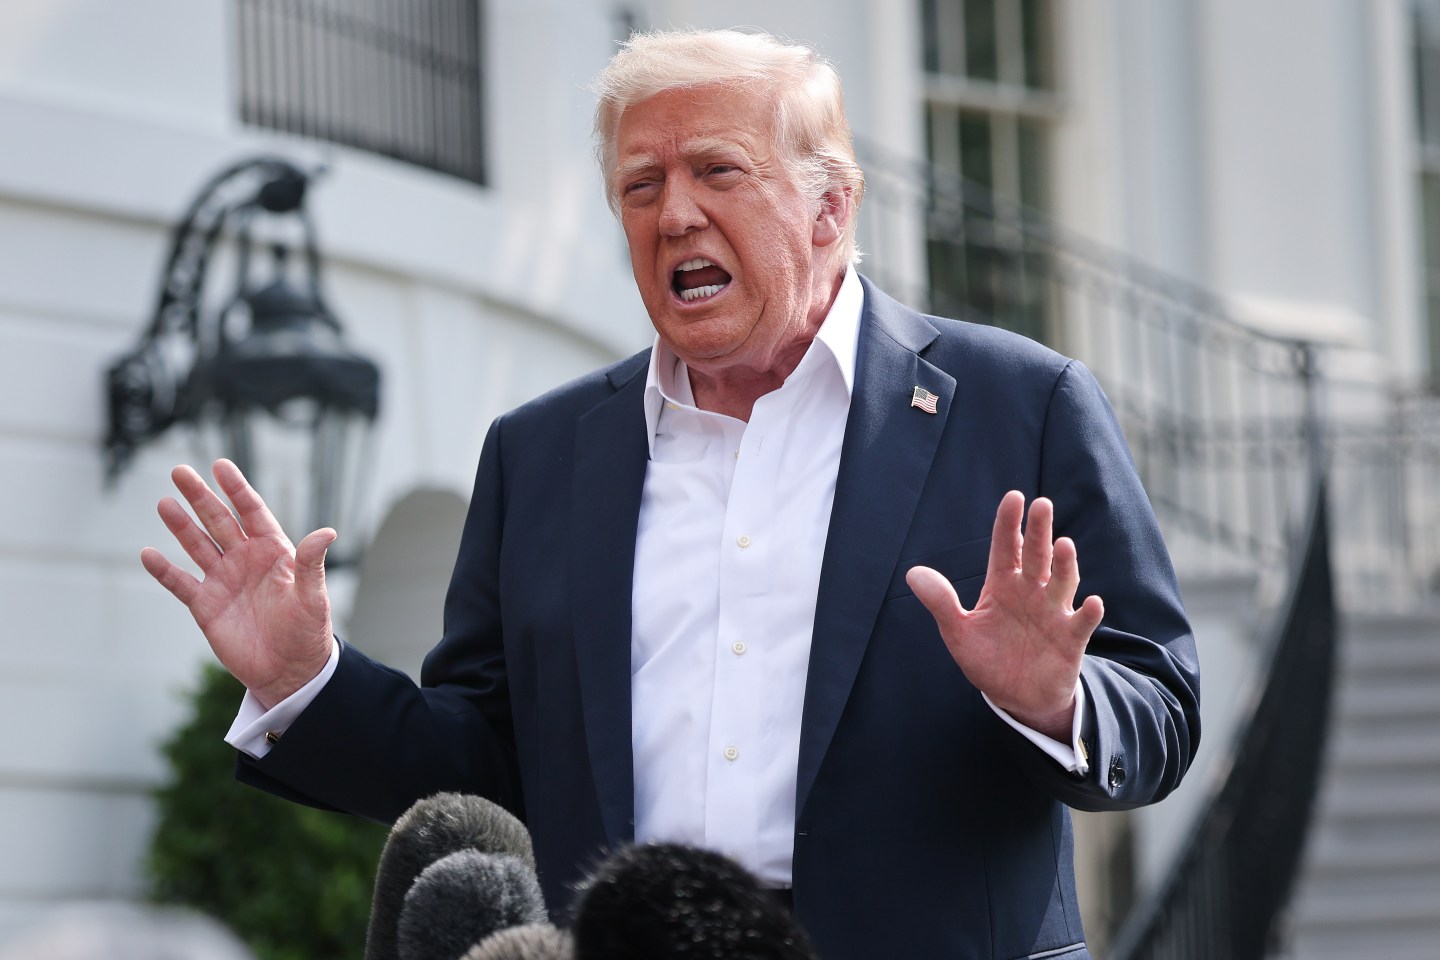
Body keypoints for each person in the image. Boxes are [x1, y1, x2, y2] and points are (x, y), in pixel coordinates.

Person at [142, 29, 1200, 960]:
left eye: (716, 171)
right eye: (640, 187)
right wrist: (306, 683)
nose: (676, 214)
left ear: (830, 205)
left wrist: (1055, 702)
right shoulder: (542, 453)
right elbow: (490, 763)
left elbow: (1160, 703)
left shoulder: (1021, 407)